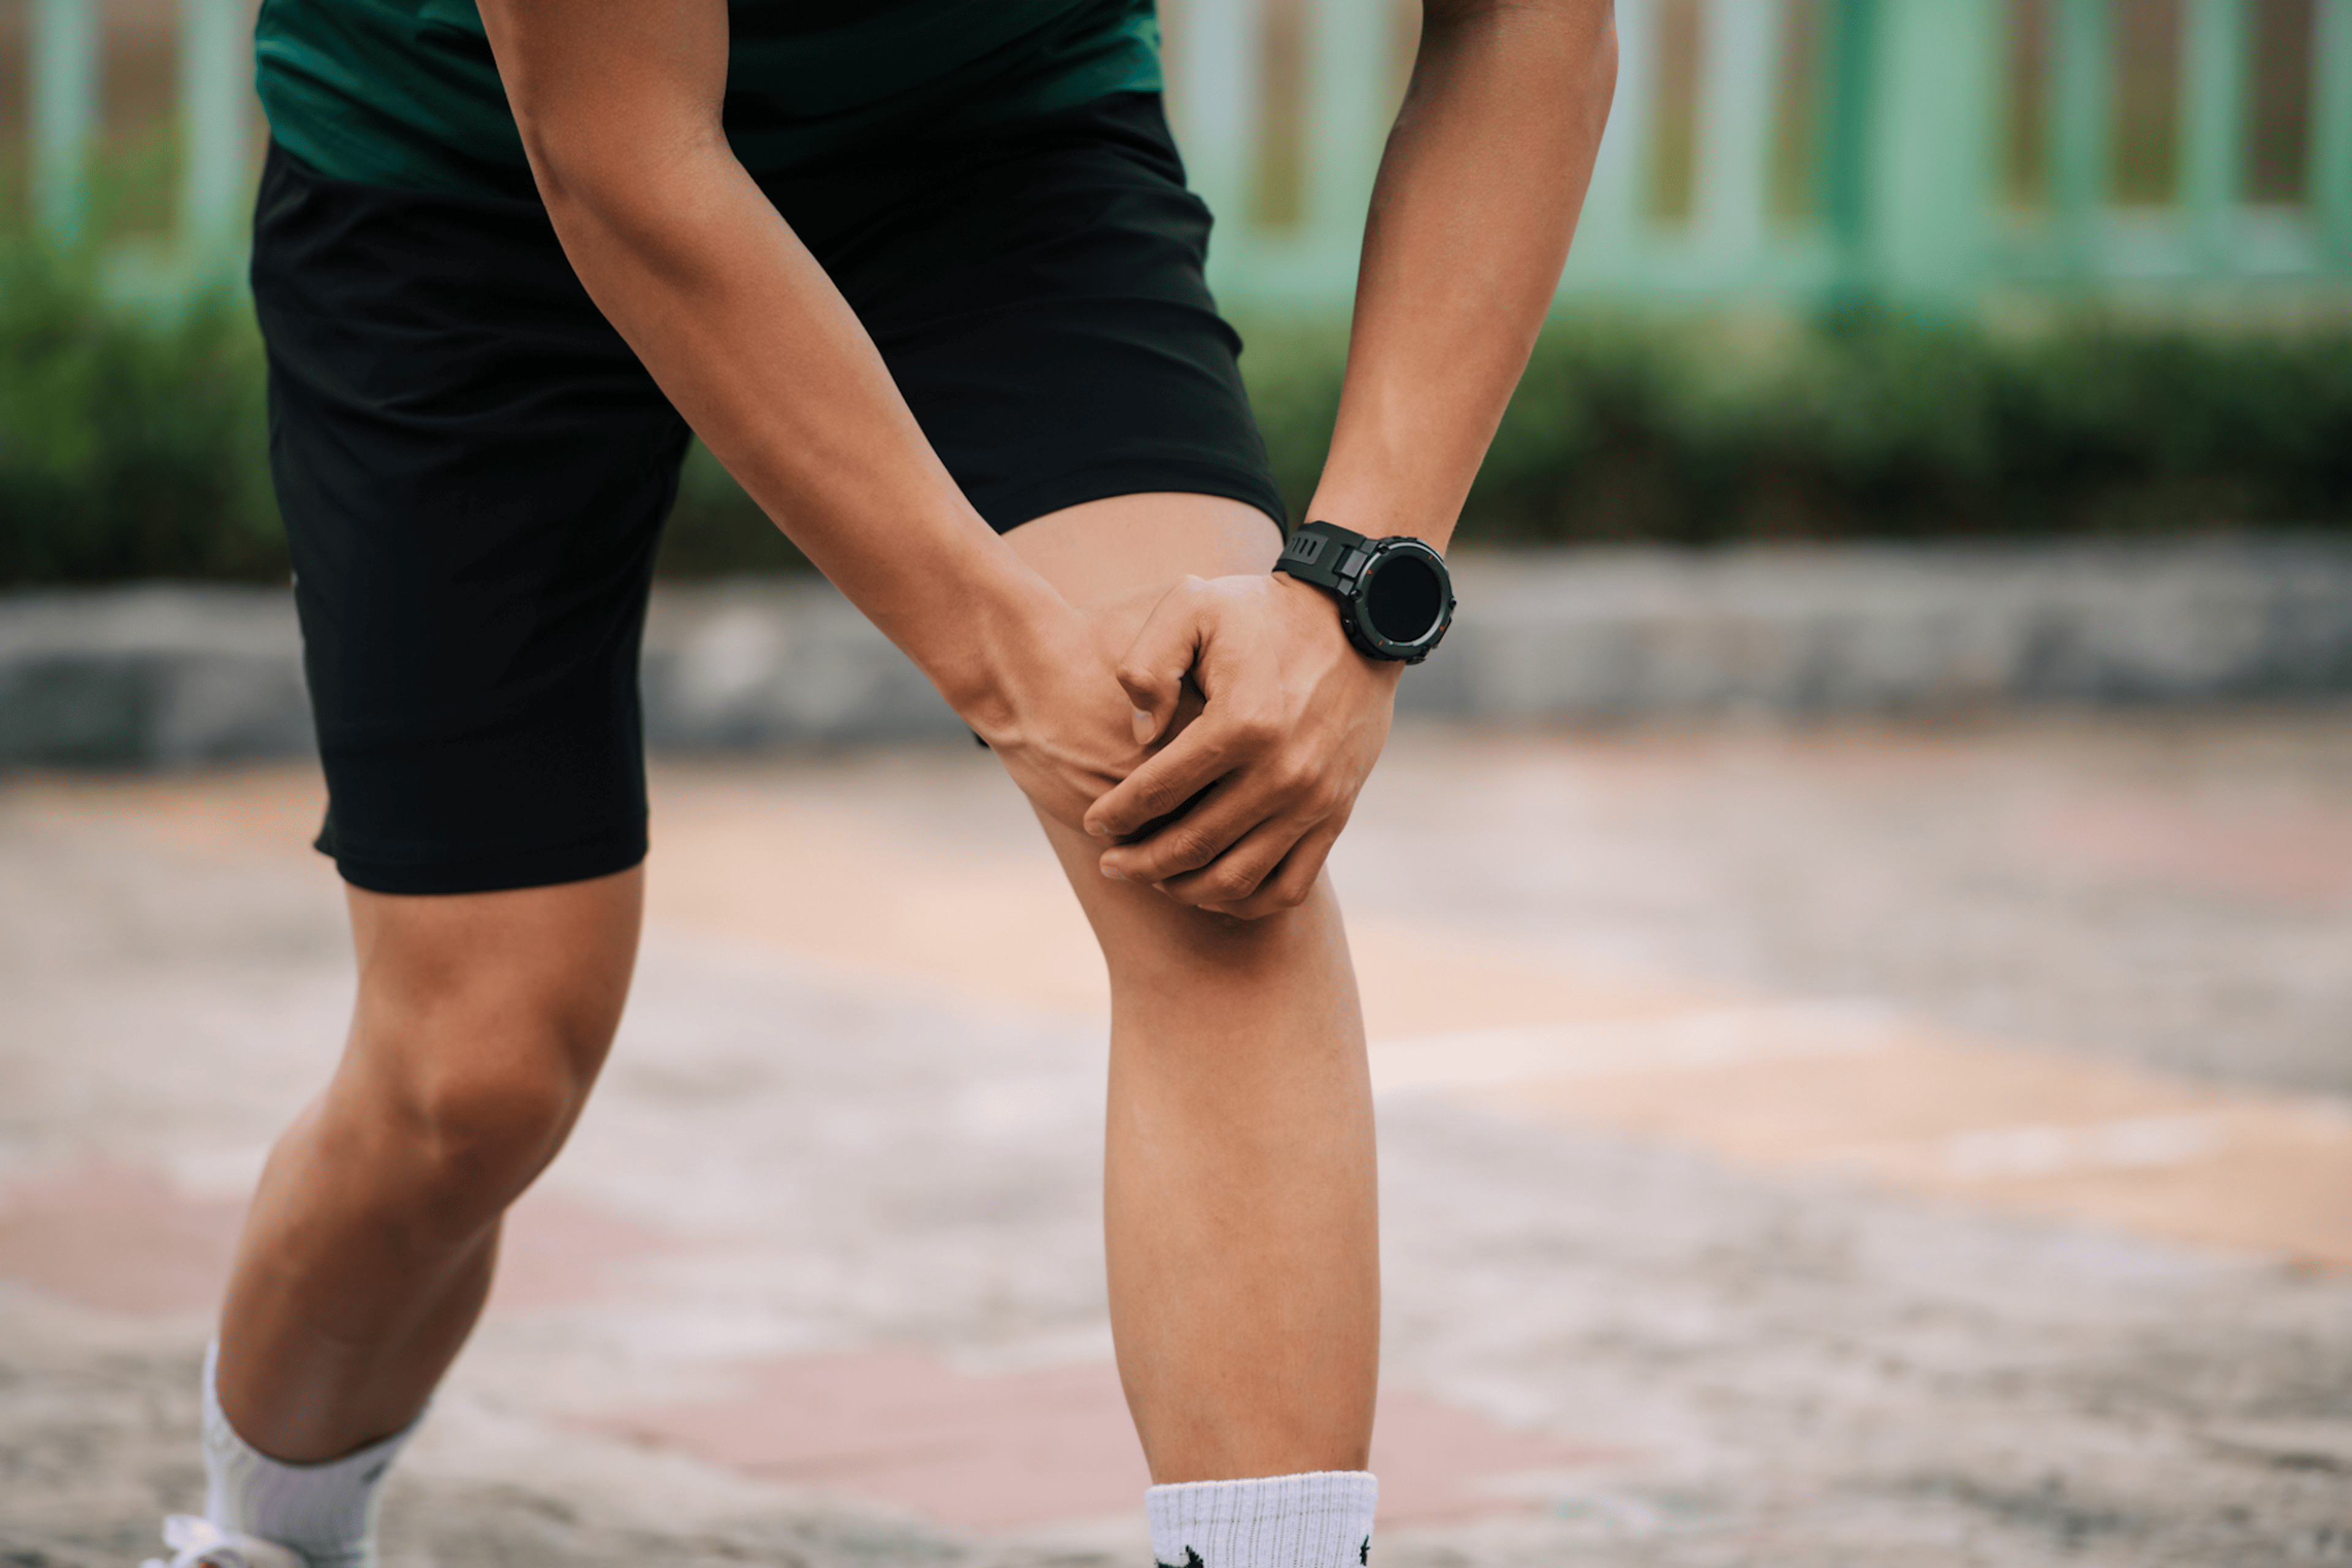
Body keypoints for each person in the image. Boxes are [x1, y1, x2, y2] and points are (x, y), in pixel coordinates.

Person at [143, 3, 1615, 1566]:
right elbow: (625, 156)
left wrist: (1355, 583)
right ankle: (267, 1530)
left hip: (985, 134)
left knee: (1210, 823)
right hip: (475, 168)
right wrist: (1005, 661)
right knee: (475, 1075)